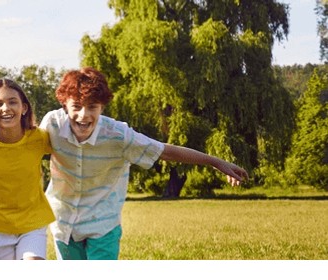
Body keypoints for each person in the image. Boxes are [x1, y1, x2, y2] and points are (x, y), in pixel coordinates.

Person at [41, 67, 249, 260]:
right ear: (65, 104)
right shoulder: (52, 124)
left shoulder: (118, 136)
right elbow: (27, 148)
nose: (83, 115)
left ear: (102, 107)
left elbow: (165, 151)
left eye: (92, 107)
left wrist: (215, 162)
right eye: (76, 106)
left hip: (102, 224)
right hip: (64, 221)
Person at [0, 79, 55, 260]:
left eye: (12, 102)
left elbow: (67, 149)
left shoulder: (39, 138)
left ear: (24, 108)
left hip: (32, 224)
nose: (6, 108)